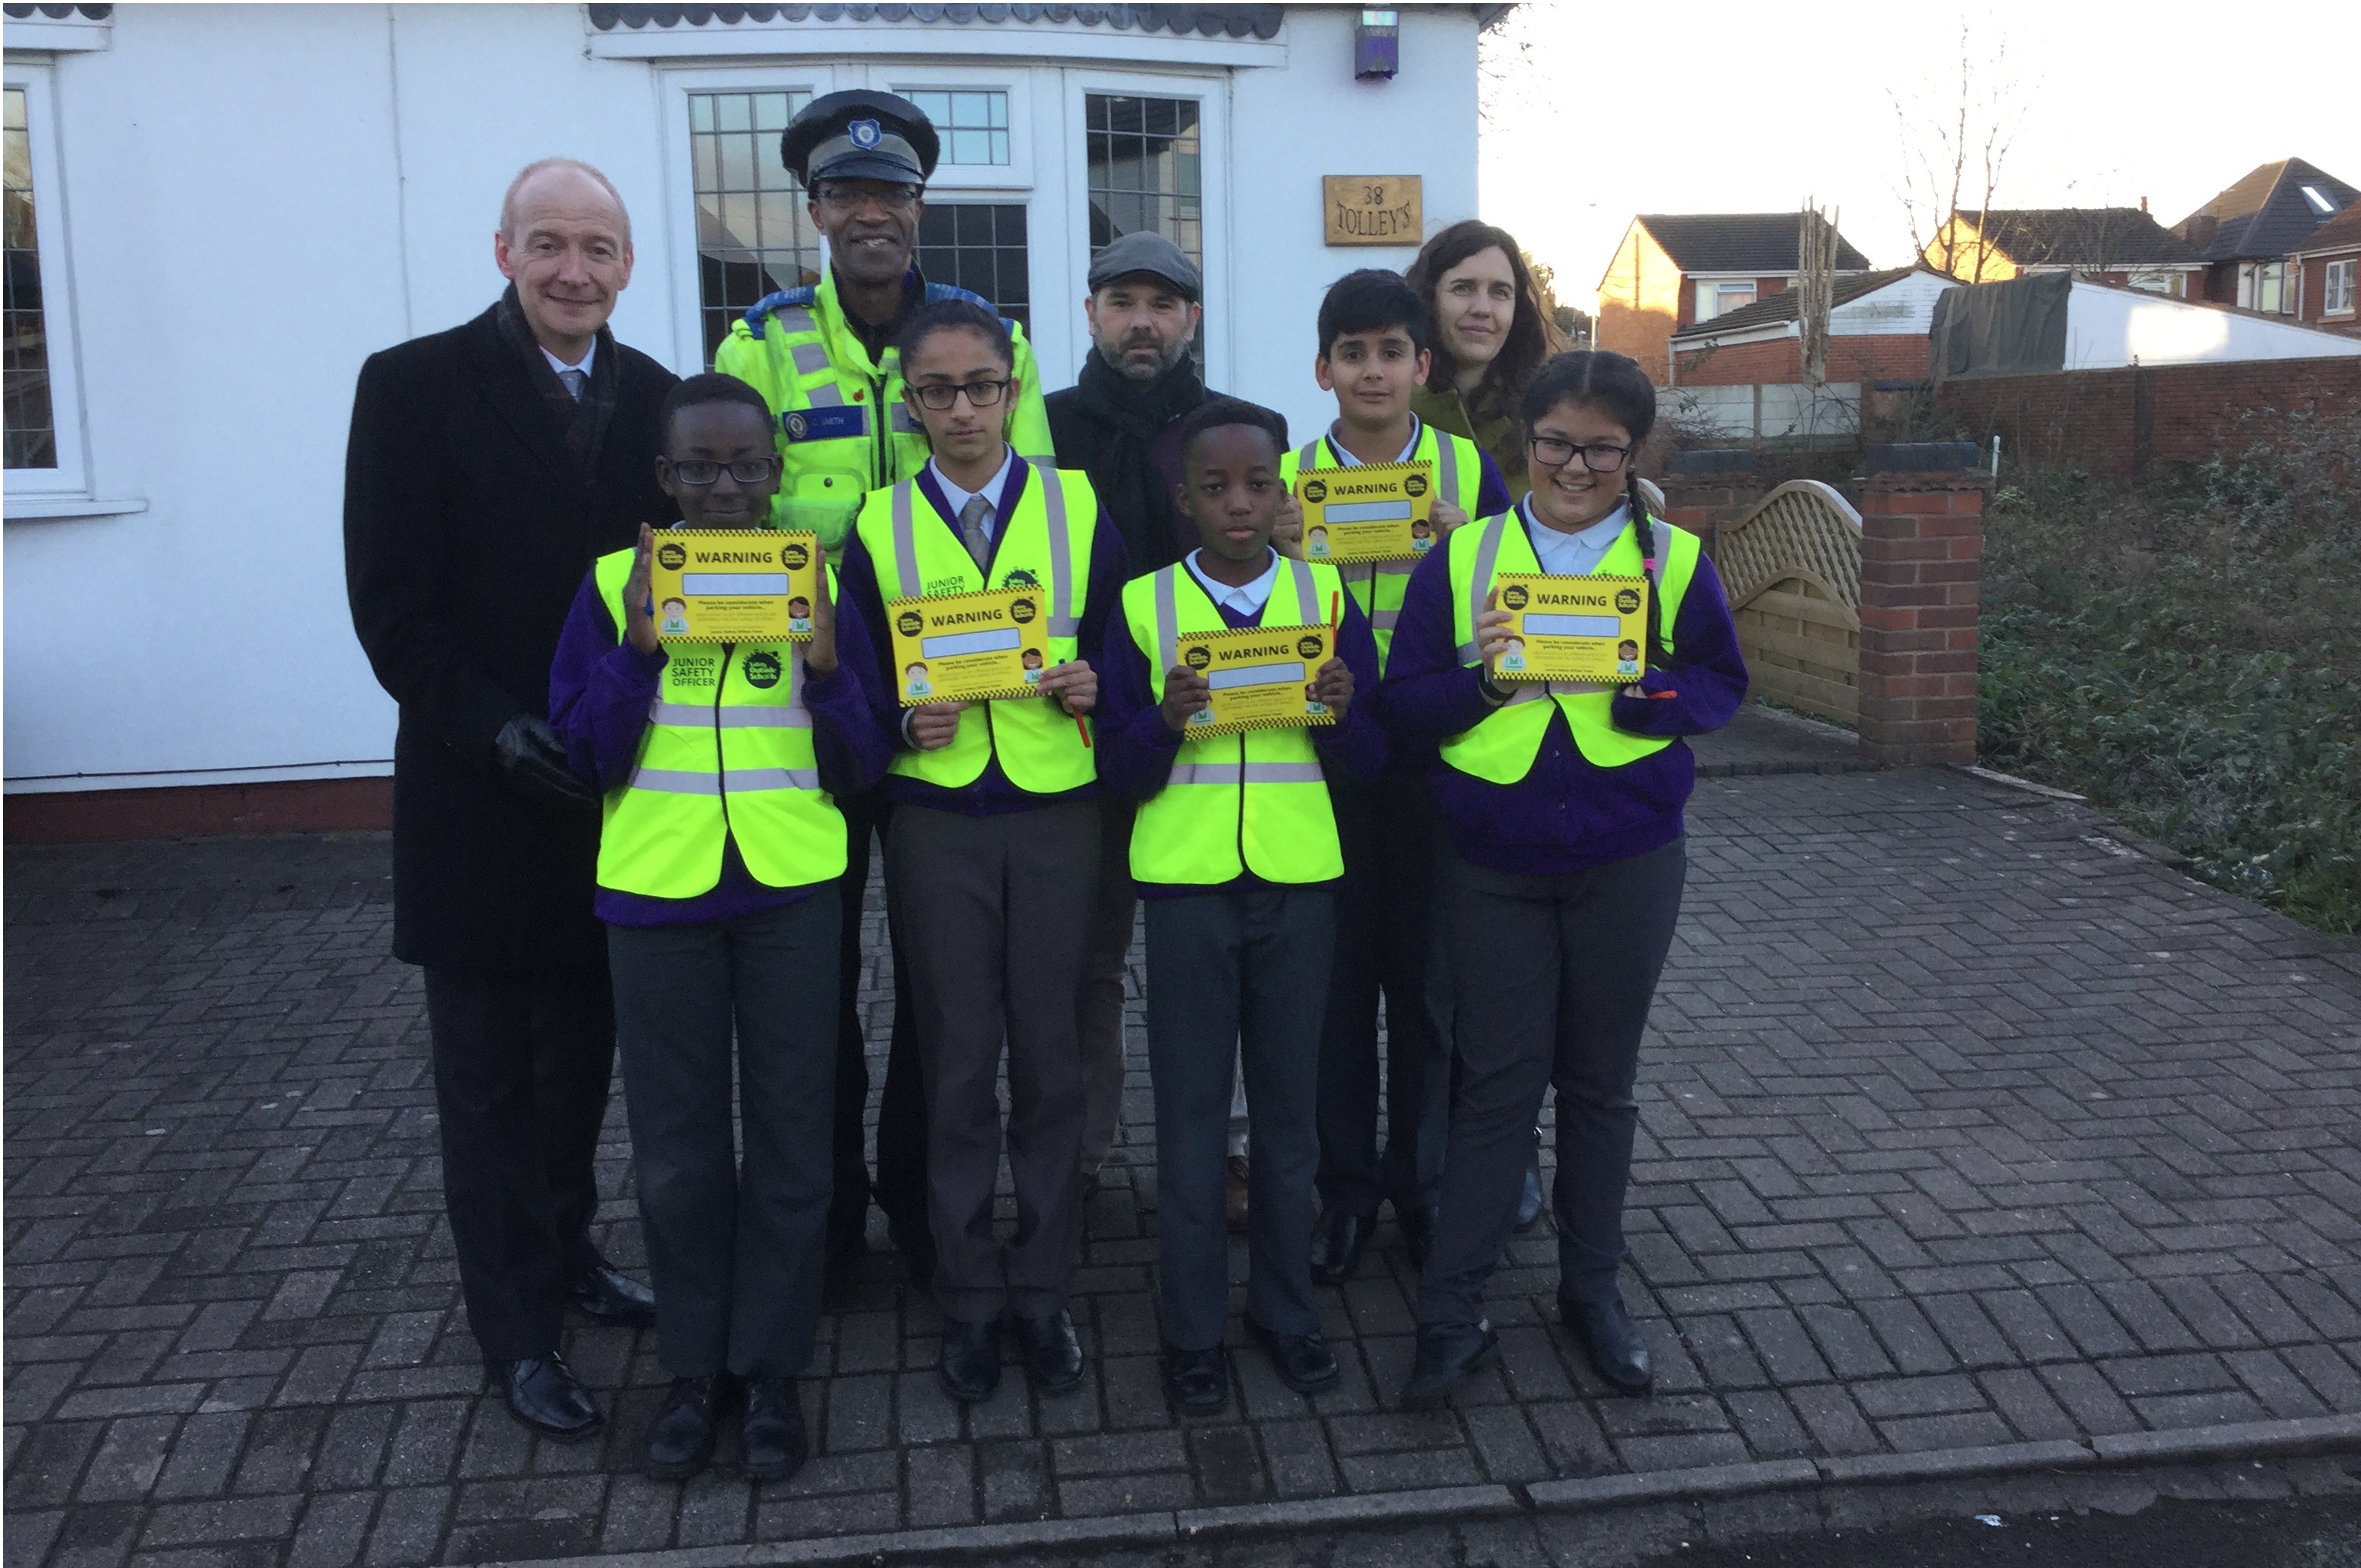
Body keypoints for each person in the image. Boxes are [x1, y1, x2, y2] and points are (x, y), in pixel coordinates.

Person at [343, 158, 669, 1441]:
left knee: (581, 1063)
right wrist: (492, 727)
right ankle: (516, 1331)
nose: (572, 270)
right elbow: (391, 611)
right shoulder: (411, 386)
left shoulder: (652, 402)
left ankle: (574, 1255)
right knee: (487, 1088)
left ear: (627, 266)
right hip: (478, 800)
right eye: (549, 244)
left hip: (607, 795)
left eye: (596, 248)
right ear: (502, 252)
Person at [715, 90, 1056, 1291]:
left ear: (922, 207)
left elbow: (1043, 521)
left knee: (936, 989)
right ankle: (823, 1219)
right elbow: (726, 503)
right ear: (815, 210)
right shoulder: (759, 341)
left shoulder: (982, 340)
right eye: (848, 194)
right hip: (800, 708)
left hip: (947, 717)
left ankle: (922, 1207)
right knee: (808, 985)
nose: (872, 213)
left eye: (893, 193)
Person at [1380, 351, 1747, 1407]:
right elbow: (1404, 711)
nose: (1575, 466)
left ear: (1636, 454)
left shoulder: (1671, 560)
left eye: (1601, 448)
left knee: (1599, 1086)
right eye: (1555, 442)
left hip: (1626, 854)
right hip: (1491, 857)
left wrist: (1647, 694)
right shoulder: (1463, 559)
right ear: (1524, 441)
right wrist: (1486, 679)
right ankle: (1453, 1311)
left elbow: (1721, 684)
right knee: (1493, 1087)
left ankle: (1593, 1295)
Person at [547, 373, 892, 1483]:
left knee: (794, 1150)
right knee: (680, 1159)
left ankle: (772, 1370)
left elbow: (862, 761)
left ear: (777, 470)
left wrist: (833, 667)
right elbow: (586, 755)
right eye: (700, 466)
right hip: (657, 900)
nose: (727, 485)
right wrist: (638, 650)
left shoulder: (821, 580)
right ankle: (695, 1373)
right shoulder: (611, 586)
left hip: (791, 891)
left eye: (747, 464)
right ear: (665, 477)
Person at [838, 300, 1129, 1405]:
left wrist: (1101, 684)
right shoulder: (875, 524)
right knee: (958, 1066)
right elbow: (854, 685)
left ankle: (1043, 1293)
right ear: (909, 406)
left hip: (1058, 802)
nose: (962, 408)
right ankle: (968, 1297)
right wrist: (893, 726)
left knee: (1050, 1061)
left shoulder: (1077, 501)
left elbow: (1124, 645)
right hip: (938, 816)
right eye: (937, 390)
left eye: (981, 386)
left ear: (1015, 389)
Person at [1096, 397, 1384, 1414]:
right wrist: (1164, 725)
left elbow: (1368, 760)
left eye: (1258, 483)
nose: (1238, 504)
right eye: (1214, 487)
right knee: (1185, 1118)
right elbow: (1113, 770)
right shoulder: (1142, 606)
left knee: (1289, 1117)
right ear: (1183, 500)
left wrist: (1347, 716)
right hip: (1185, 889)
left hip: (1300, 883)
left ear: (1286, 491)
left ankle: (1286, 1310)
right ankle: (1189, 1331)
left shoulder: (1326, 597)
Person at [1277, 270, 1510, 1291]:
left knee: (1427, 995)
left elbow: (1526, 595)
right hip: (1317, 763)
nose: (1374, 371)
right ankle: (1344, 1194)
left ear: (1426, 365)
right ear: (1322, 368)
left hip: (1434, 763)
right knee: (1333, 999)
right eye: (1353, 353)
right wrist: (1272, 547)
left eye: (1392, 353)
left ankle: (1422, 1192)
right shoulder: (1278, 480)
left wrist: (1475, 551)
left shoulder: (1467, 470)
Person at [1044, 230, 1217, 1203]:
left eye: (1163, 303)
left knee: (1218, 956)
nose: (1142, 320)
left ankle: (1226, 1151)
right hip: (1090, 736)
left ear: (1191, 318)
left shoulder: (1243, 431)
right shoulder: (1043, 431)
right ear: (1093, 314)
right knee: (1092, 961)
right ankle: (1084, 1153)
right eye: (1122, 301)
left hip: (1228, 730)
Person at [1404, 219, 1566, 503]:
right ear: (1430, 300)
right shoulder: (1394, 413)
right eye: (1463, 288)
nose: (1482, 309)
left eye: (1500, 292)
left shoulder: (1546, 418)